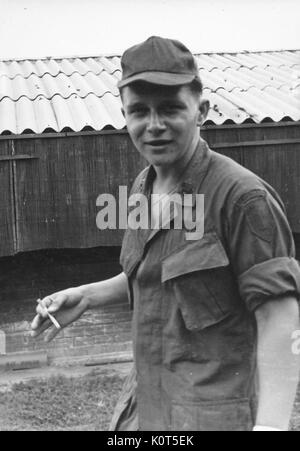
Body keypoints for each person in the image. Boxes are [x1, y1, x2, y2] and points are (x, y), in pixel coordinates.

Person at [31, 36, 300, 431]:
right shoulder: (143, 187)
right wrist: (87, 296)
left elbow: (280, 317)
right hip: (144, 412)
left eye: (171, 108)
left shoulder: (241, 198)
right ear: (125, 115)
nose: (154, 125)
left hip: (212, 418)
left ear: (201, 111)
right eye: (140, 111)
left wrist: (271, 428)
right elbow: (155, 274)